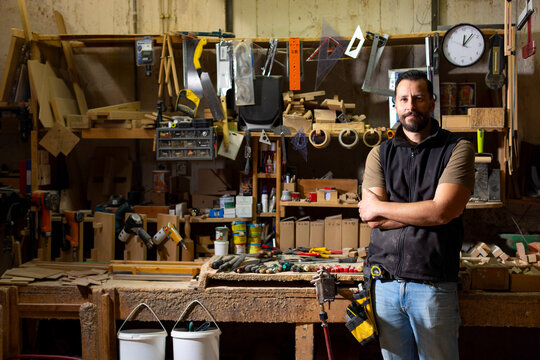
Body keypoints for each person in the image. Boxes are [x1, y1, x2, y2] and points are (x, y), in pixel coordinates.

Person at [358, 70, 475, 360]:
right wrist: (426, 210)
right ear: (395, 106)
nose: (411, 105)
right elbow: (372, 219)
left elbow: (442, 211)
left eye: (419, 98)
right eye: (404, 99)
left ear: (432, 103)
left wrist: (387, 208)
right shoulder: (380, 154)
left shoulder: (457, 149)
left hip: (432, 283)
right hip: (384, 284)